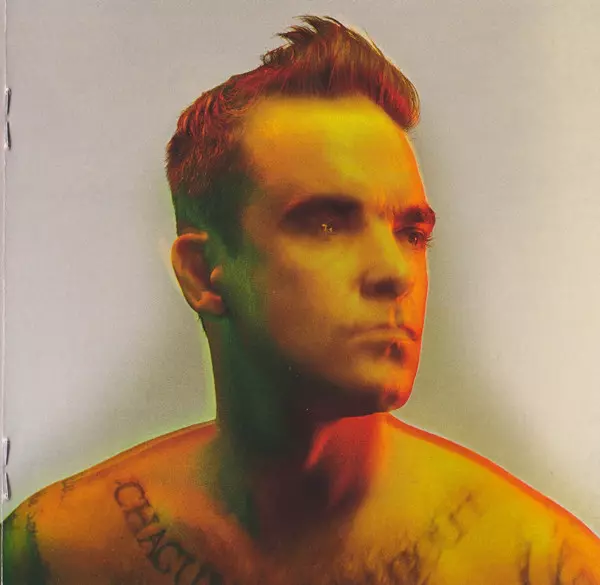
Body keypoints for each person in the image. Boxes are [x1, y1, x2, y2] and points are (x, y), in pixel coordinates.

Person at [3, 15, 599, 585]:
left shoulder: (546, 567)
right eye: (326, 224)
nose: (395, 273)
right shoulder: (55, 555)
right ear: (203, 273)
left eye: (411, 233)